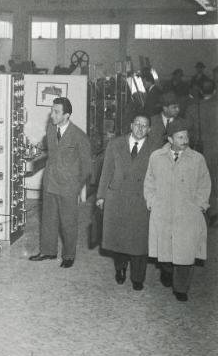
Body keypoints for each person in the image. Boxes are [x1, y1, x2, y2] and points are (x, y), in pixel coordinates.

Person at [144, 119, 210, 302]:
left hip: (187, 214)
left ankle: (181, 288)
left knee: (185, 253)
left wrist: (199, 205)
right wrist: (151, 201)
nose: (185, 140)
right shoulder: (156, 157)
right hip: (163, 211)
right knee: (164, 251)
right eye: (180, 137)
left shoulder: (197, 159)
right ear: (170, 139)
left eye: (186, 136)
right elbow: (149, 182)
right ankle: (166, 271)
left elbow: (204, 185)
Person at [29, 97, 92, 268]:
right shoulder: (50, 129)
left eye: (56, 112)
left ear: (67, 115)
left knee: (68, 222)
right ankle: (47, 251)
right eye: (52, 110)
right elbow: (50, 153)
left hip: (68, 187)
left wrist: (76, 187)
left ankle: (69, 255)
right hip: (50, 183)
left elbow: (87, 166)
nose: (52, 115)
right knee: (48, 220)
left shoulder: (79, 136)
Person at [96, 113, 153, 290]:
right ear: (131, 125)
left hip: (141, 199)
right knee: (118, 239)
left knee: (140, 241)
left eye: (144, 126)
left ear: (149, 130)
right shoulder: (115, 144)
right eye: (137, 124)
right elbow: (106, 171)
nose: (140, 128)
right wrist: (101, 196)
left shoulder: (155, 149)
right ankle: (120, 268)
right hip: (117, 198)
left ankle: (138, 277)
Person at [185, 78, 218, 226]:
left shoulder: (193, 108)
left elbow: (187, 133)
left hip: (204, 150)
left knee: (208, 180)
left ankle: (214, 213)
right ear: (215, 91)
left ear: (200, 91)